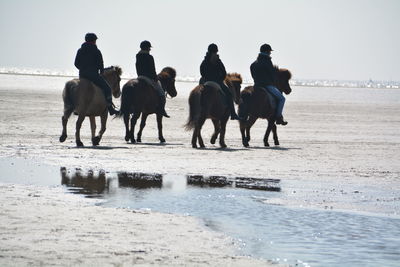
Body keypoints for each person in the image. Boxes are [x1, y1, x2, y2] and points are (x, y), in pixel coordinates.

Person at [74, 33, 119, 115]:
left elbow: (76, 63)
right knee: (107, 89)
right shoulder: (96, 51)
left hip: (82, 75)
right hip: (93, 75)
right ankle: (110, 108)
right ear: (94, 41)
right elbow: (101, 64)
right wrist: (101, 72)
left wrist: (83, 70)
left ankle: (75, 108)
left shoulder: (80, 50)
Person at [200, 43, 241, 120]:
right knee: (229, 94)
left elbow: (201, 72)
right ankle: (233, 113)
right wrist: (220, 79)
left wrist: (206, 78)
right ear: (216, 51)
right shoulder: (218, 61)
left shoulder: (204, 61)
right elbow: (224, 72)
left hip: (206, 82)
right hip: (217, 82)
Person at [250, 44, 287, 125]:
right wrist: (273, 82)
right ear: (267, 51)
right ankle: (278, 117)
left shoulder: (253, 64)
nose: (270, 53)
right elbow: (272, 75)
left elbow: (253, 75)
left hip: (256, 85)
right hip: (267, 85)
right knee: (282, 99)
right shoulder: (268, 62)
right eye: (270, 51)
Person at [135, 40, 169, 118]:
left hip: (140, 77)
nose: (150, 49)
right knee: (161, 93)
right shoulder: (149, 57)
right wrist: (155, 78)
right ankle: (161, 109)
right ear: (147, 48)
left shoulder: (138, 56)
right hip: (148, 78)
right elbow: (152, 69)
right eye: (149, 48)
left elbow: (137, 67)